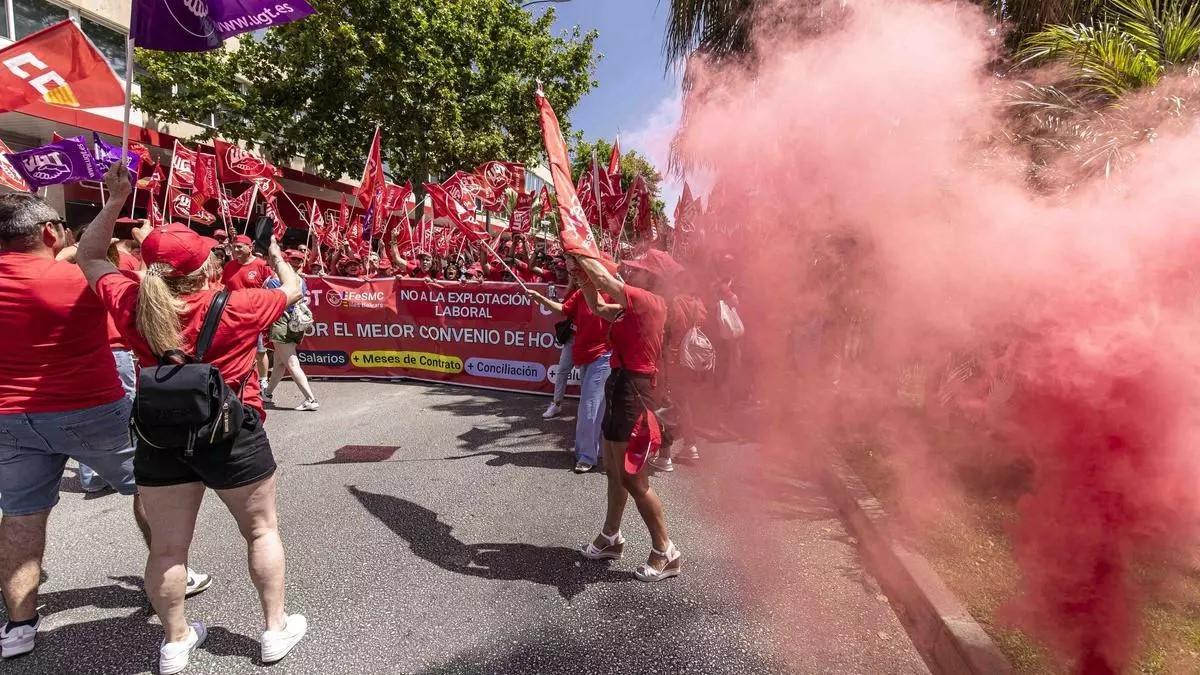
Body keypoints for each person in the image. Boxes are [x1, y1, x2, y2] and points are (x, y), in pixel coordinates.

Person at [77, 164, 306, 674]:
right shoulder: (242, 305)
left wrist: (116, 199)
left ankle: (176, 642)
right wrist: (277, 259)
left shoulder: (131, 299)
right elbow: (292, 289)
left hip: (160, 434)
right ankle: (273, 630)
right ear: (207, 269)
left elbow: (90, 255)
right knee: (262, 532)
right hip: (232, 431)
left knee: (168, 547)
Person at [0, 187, 212, 661]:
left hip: (10, 419)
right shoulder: (72, 281)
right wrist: (117, 199)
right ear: (50, 232)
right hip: (93, 410)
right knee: (149, 490)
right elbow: (105, 264)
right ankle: (171, 573)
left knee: (20, 518)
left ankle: (18, 627)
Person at [574, 251, 681, 582]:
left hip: (634, 390)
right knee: (612, 470)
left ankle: (666, 551)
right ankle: (610, 536)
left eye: (638, 270)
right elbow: (598, 307)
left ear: (653, 278)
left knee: (634, 477)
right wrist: (584, 281)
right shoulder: (632, 306)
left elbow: (608, 281)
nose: (631, 272)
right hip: (620, 386)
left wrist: (580, 253)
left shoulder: (651, 301)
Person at [526, 268, 611, 473]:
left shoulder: (612, 294)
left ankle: (586, 456)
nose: (579, 275)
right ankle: (595, 451)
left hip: (604, 356)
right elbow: (564, 309)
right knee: (595, 406)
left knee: (589, 406)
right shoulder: (582, 293)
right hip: (584, 354)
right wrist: (540, 298)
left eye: (583, 271)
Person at [265, 250, 319, 411]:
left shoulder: (274, 280)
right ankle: (267, 393)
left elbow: (269, 301)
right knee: (280, 363)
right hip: (295, 323)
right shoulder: (300, 280)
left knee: (291, 363)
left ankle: (310, 399)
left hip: (281, 322)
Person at [222, 235, 272, 390]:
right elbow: (225, 288)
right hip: (234, 315)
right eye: (234, 246)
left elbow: (273, 288)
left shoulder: (261, 265)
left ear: (250, 247)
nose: (236, 250)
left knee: (259, 350)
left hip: (255, 316)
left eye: (240, 246)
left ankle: (263, 380)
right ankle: (240, 377)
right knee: (235, 350)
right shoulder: (229, 266)